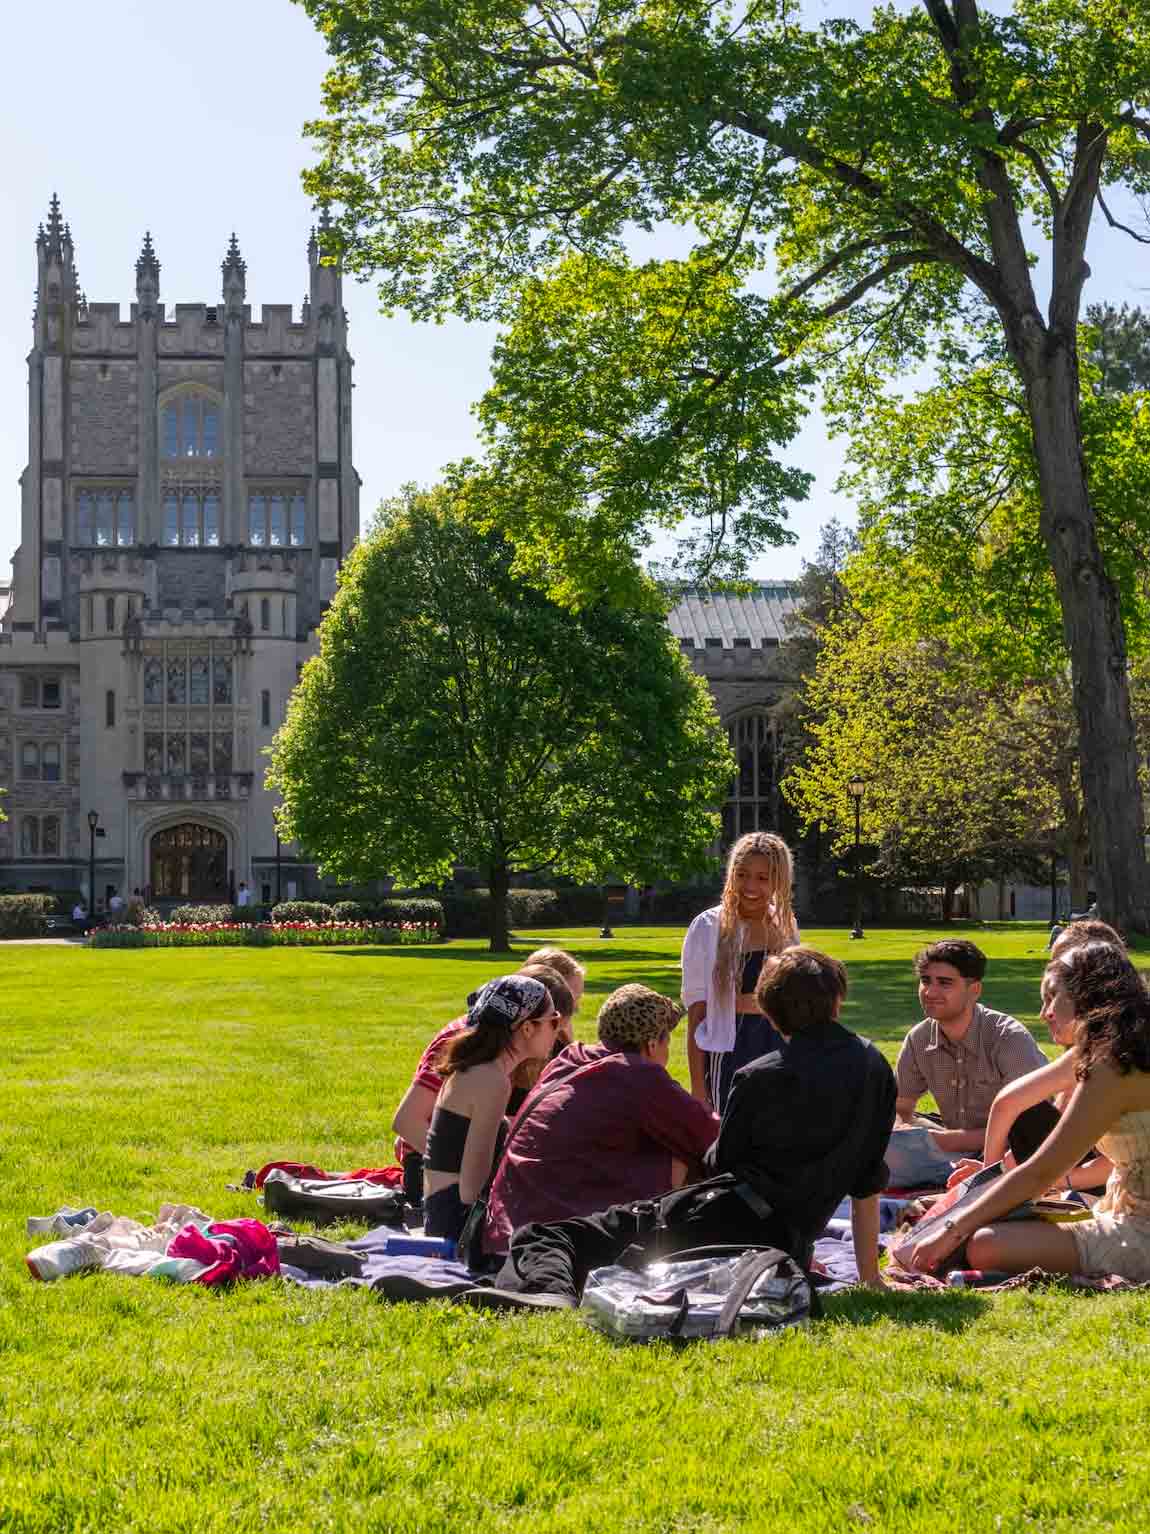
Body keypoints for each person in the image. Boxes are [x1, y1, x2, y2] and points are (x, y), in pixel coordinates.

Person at [461, 947, 896, 1309]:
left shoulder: (759, 1077)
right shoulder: (875, 1068)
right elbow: (867, 1181)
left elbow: (722, 1161)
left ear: (768, 1011)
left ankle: (547, 1293)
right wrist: (869, 1275)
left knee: (547, 1234)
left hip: (726, 1223)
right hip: (791, 1244)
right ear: (837, 1001)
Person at [904, 941, 1150, 1282]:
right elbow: (1009, 1101)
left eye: (1052, 998)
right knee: (992, 1220)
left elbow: (1040, 1172)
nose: (1043, 1013)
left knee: (985, 1244)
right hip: (1121, 1206)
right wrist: (985, 1175)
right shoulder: (1106, 1048)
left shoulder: (1112, 1066)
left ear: (1085, 997)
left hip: (1141, 1232)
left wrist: (951, 1228)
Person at [481, 984, 720, 1256]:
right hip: (556, 1239)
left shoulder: (568, 1060)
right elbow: (711, 1136)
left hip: (505, 1228)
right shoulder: (636, 1074)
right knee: (682, 1160)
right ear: (652, 1043)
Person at [946, 941, 1120, 1195]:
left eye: (1052, 997)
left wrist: (1051, 1181)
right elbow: (1026, 1117)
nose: (1043, 1014)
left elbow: (1116, 1163)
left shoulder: (1118, 1056)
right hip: (1085, 1175)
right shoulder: (1084, 1054)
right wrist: (995, 1171)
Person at [391, 947, 584, 1173]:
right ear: (528, 1022)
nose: (558, 1031)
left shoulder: (513, 1051)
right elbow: (407, 1122)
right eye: (554, 1020)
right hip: (435, 1169)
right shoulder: (465, 1041)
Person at [886, 939, 1046, 1188]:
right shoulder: (919, 1039)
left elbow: (1034, 1129)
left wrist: (943, 1141)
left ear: (974, 990)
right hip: (949, 1148)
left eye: (945, 983)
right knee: (869, 1143)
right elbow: (899, 1108)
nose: (930, 992)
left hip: (1012, 1152)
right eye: (926, 981)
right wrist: (902, 1132)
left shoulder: (1008, 1038)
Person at [423, 975, 565, 1242]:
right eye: (553, 1020)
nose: (557, 1030)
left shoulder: (480, 1070)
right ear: (527, 1028)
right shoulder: (491, 1080)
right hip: (457, 1224)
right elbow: (471, 1190)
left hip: (442, 1213)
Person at [681, 832, 800, 1113]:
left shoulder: (785, 924)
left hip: (781, 1049)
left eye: (762, 877)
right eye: (742, 874)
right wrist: (699, 1088)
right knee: (732, 1140)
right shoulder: (708, 927)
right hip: (730, 1051)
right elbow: (698, 1012)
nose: (750, 886)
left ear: (779, 880)